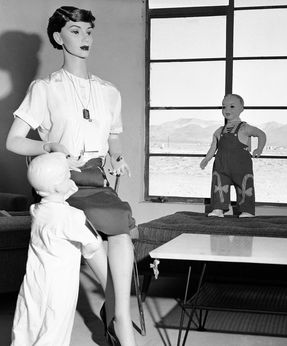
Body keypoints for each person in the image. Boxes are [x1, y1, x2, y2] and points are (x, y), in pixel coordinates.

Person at [6, 6, 136, 346]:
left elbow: (114, 138)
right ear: (57, 37)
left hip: (96, 177)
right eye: (75, 31)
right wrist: (49, 145)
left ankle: (120, 317)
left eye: (88, 31)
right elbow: (14, 141)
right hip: (61, 181)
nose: (85, 38)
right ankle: (120, 316)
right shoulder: (45, 88)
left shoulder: (109, 91)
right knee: (111, 256)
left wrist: (117, 156)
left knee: (120, 222)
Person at [11, 153, 102, 346]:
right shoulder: (73, 216)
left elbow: (54, 200)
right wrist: (87, 251)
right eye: (67, 176)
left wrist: (62, 184)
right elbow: (93, 242)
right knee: (55, 327)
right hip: (60, 284)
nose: (71, 179)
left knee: (28, 321)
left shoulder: (36, 210)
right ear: (58, 185)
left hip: (34, 279)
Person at [200, 93, 267, 218]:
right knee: (218, 186)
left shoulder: (245, 128)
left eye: (231, 106)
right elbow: (213, 147)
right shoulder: (219, 130)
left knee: (244, 186)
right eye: (223, 107)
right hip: (221, 166)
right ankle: (218, 208)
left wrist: (259, 149)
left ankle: (246, 210)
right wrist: (207, 159)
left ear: (241, 108)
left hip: (241, 166)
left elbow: (261, 134)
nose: (227, 110)